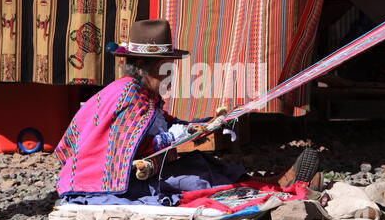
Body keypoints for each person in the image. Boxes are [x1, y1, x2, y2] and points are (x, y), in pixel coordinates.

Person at [54, 19, 245, 206]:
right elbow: (130, 147)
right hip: (102, 182)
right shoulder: (130, 97)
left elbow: (157, 124)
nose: (171, 76)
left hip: (117, 174)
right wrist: (171, 137)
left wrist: (200, 126)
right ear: (141, 68)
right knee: (197, 181)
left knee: (202, 167)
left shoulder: (142, 94)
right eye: (164, 69)